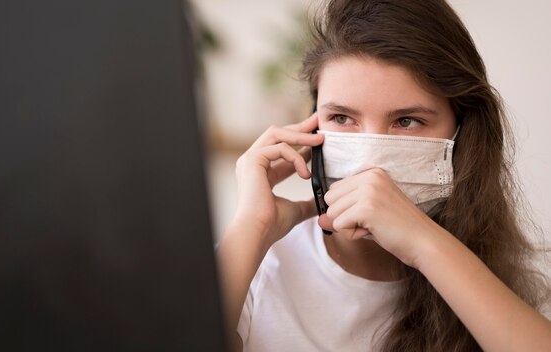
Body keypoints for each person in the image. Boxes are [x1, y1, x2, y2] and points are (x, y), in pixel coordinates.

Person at [216, 0, 551, 351]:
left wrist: (426, 246)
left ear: (461, 133)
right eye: (342, 118)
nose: (369, 163)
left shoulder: (490, 279)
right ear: (313, 122)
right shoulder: (253, 267)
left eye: (407, 121)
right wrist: (253, 225)